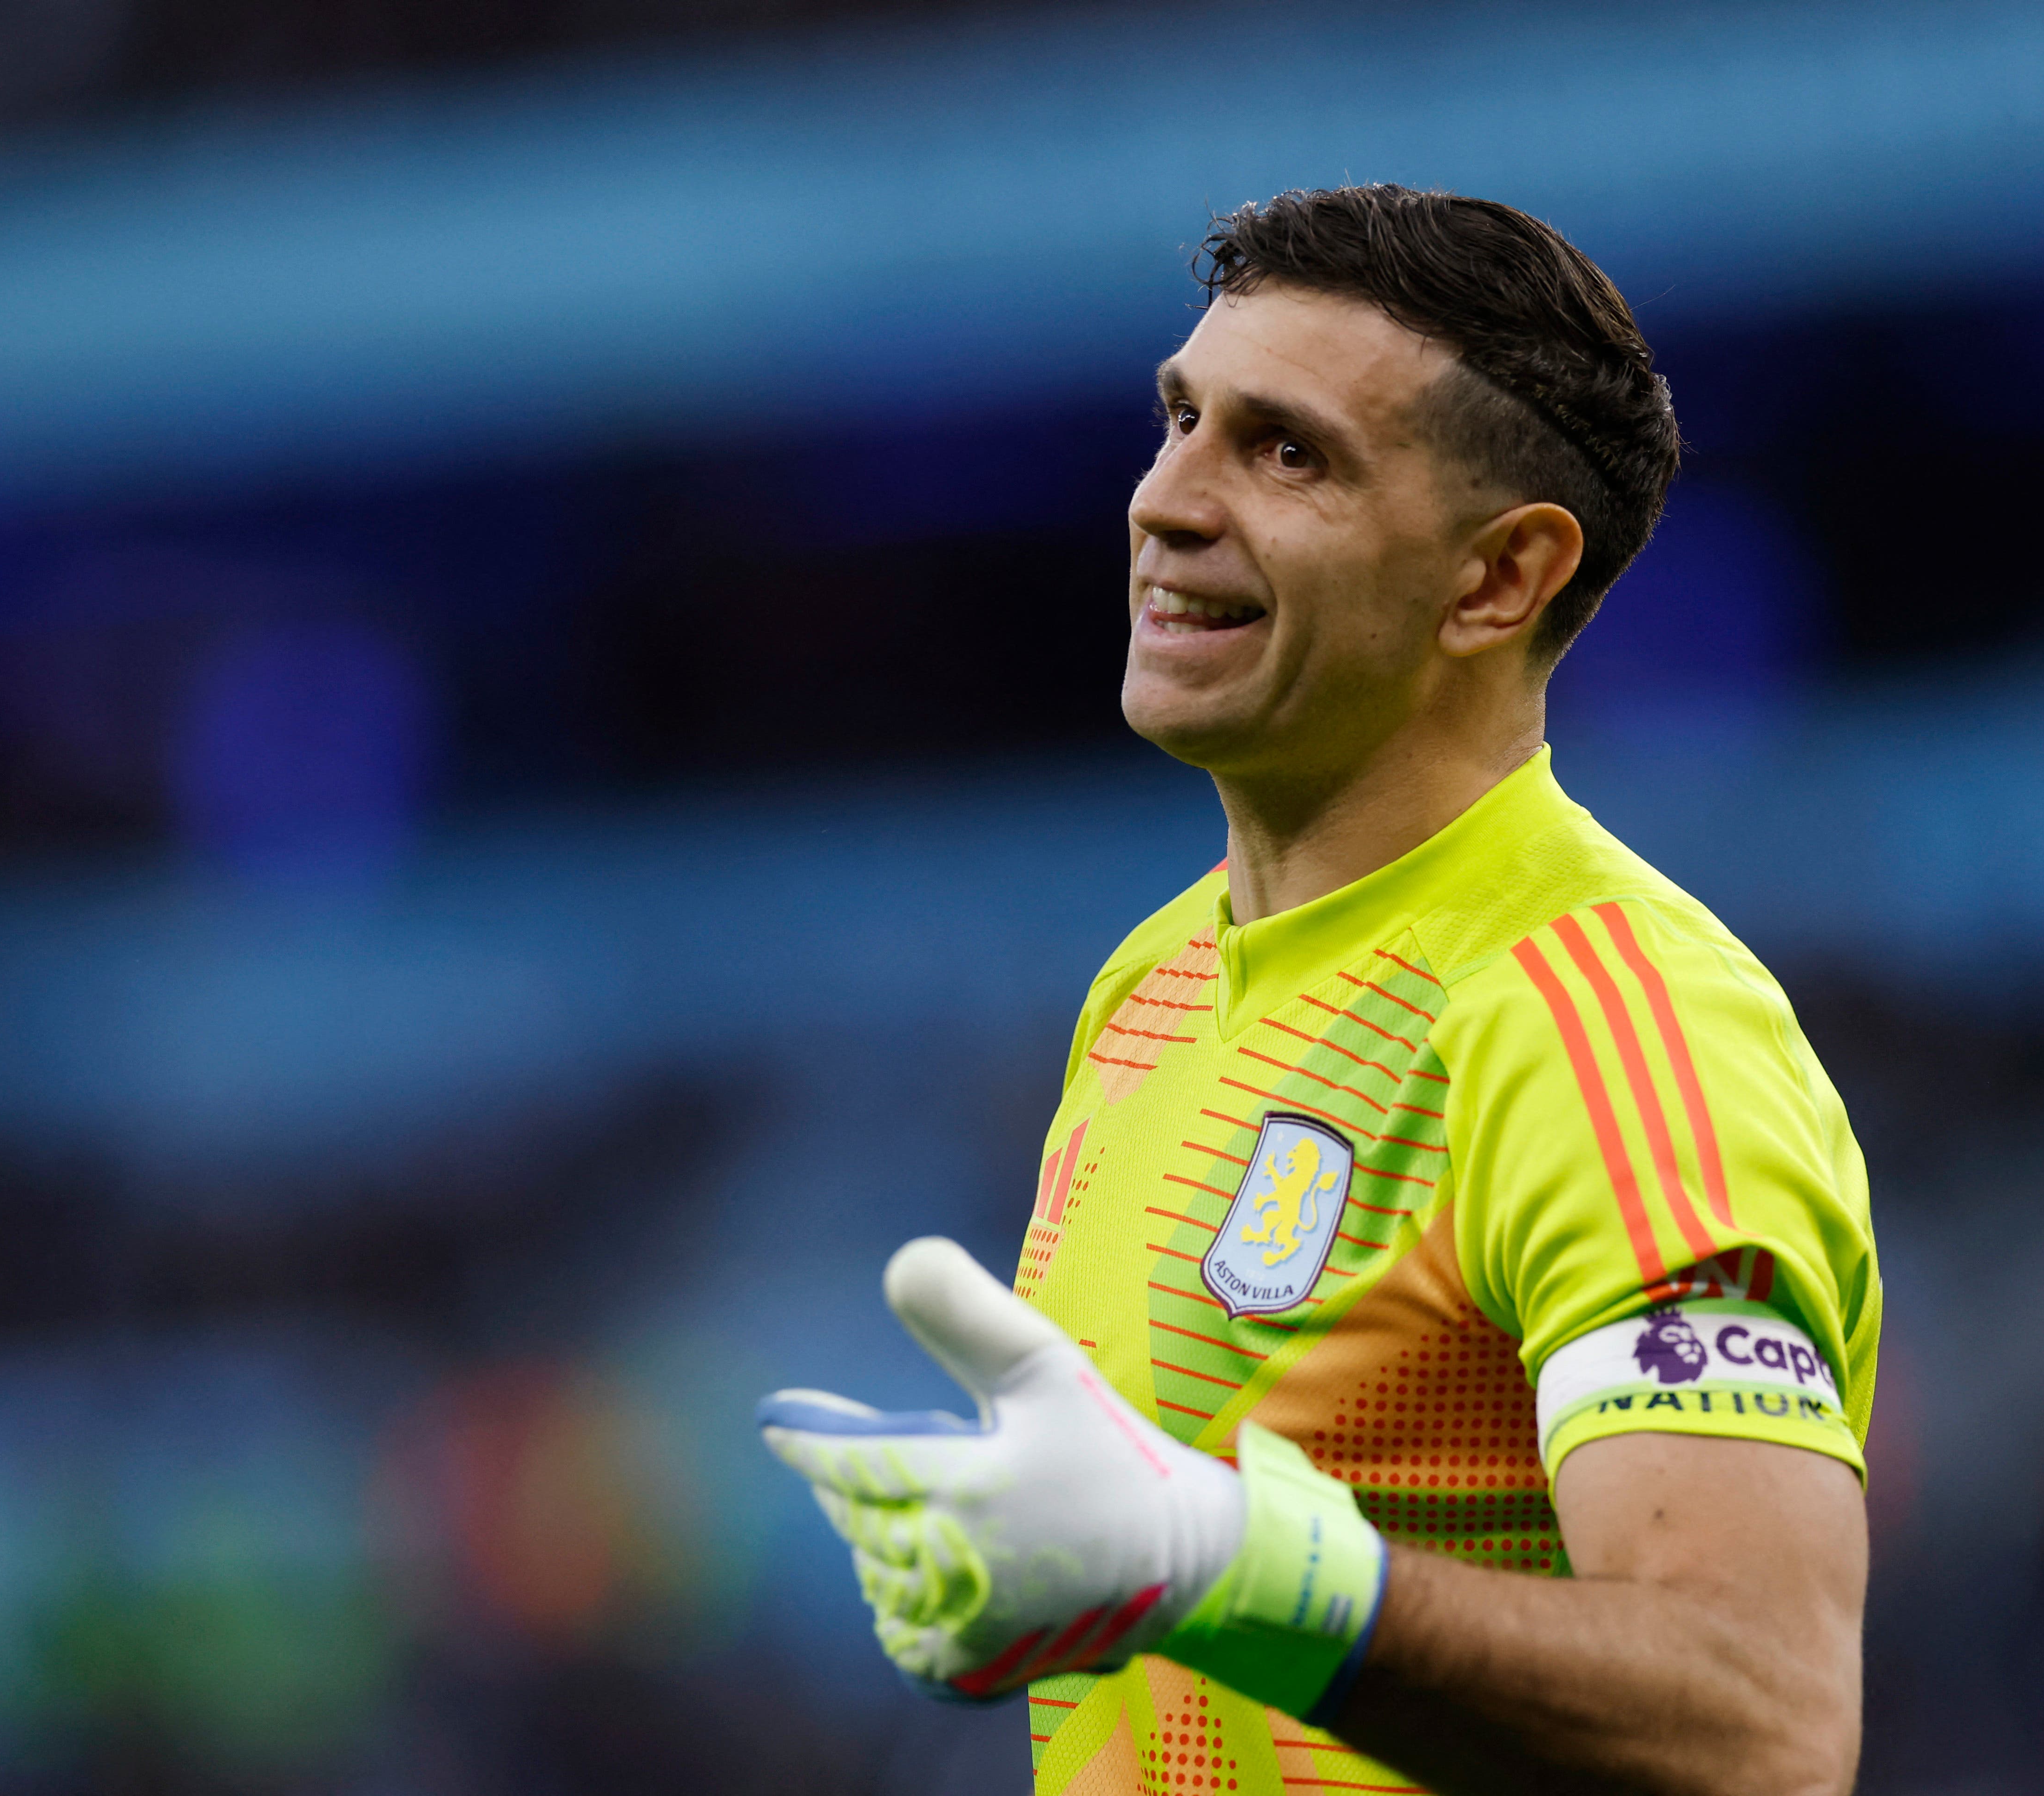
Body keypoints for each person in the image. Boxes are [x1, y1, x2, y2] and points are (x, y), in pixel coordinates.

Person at [760, 184, 1878, 1796]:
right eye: (1180, 418)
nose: (1165, 501)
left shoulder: (1602, 1018)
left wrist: (1225, 1564)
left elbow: (1758, 1726)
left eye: (1284, 452)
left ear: (1497, 578)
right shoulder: (1150, 983)